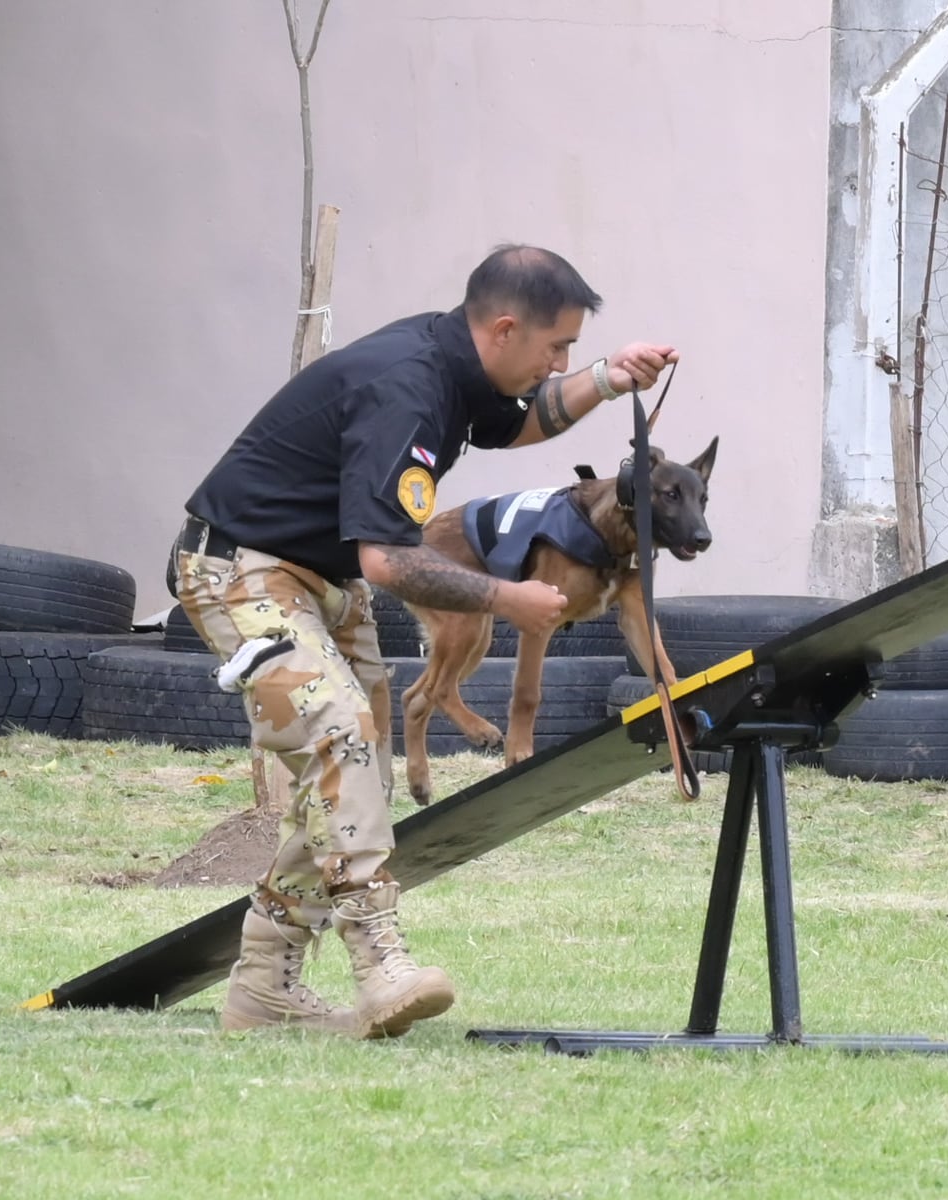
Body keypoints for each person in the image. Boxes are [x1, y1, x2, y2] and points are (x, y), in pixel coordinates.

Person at [171, 244, 678, 1038]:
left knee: (354, 775)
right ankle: (380, 964)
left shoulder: (461, 368)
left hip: (323, 582)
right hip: (239, 570)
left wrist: (612, 378)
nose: (562, 363)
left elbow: (525, 422)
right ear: (506, 329)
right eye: (558, 348)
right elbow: (388, 557)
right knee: (336, 729)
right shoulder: (405, 385)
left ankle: (266, 986)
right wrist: (506, 596)